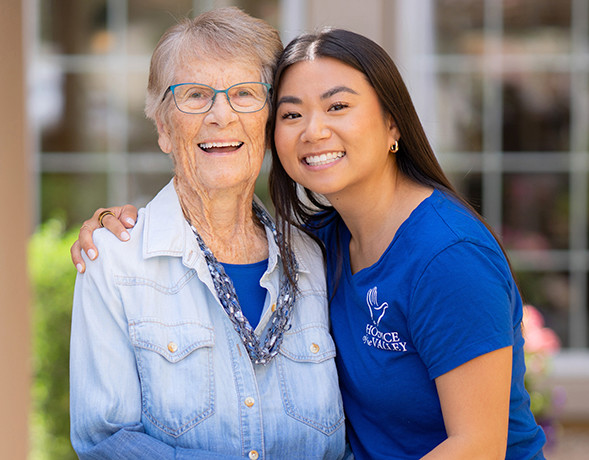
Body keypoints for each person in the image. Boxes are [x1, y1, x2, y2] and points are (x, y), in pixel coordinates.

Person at [74, 28, 546, 460]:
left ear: (392, 124)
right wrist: (110, 225)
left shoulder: (446, 256)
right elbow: (105, 439)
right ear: (162, 127)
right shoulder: (324, 243)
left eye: (338, 106)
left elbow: (479, 445)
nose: (314, 130)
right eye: (293, 113)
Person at [69, 8, 346, 459]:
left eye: (244, 94)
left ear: (269, 121)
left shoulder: (317, 257)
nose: (221, 115)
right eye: (195, 95)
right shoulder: (114, 261)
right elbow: (106, 441)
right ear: (162, 128)